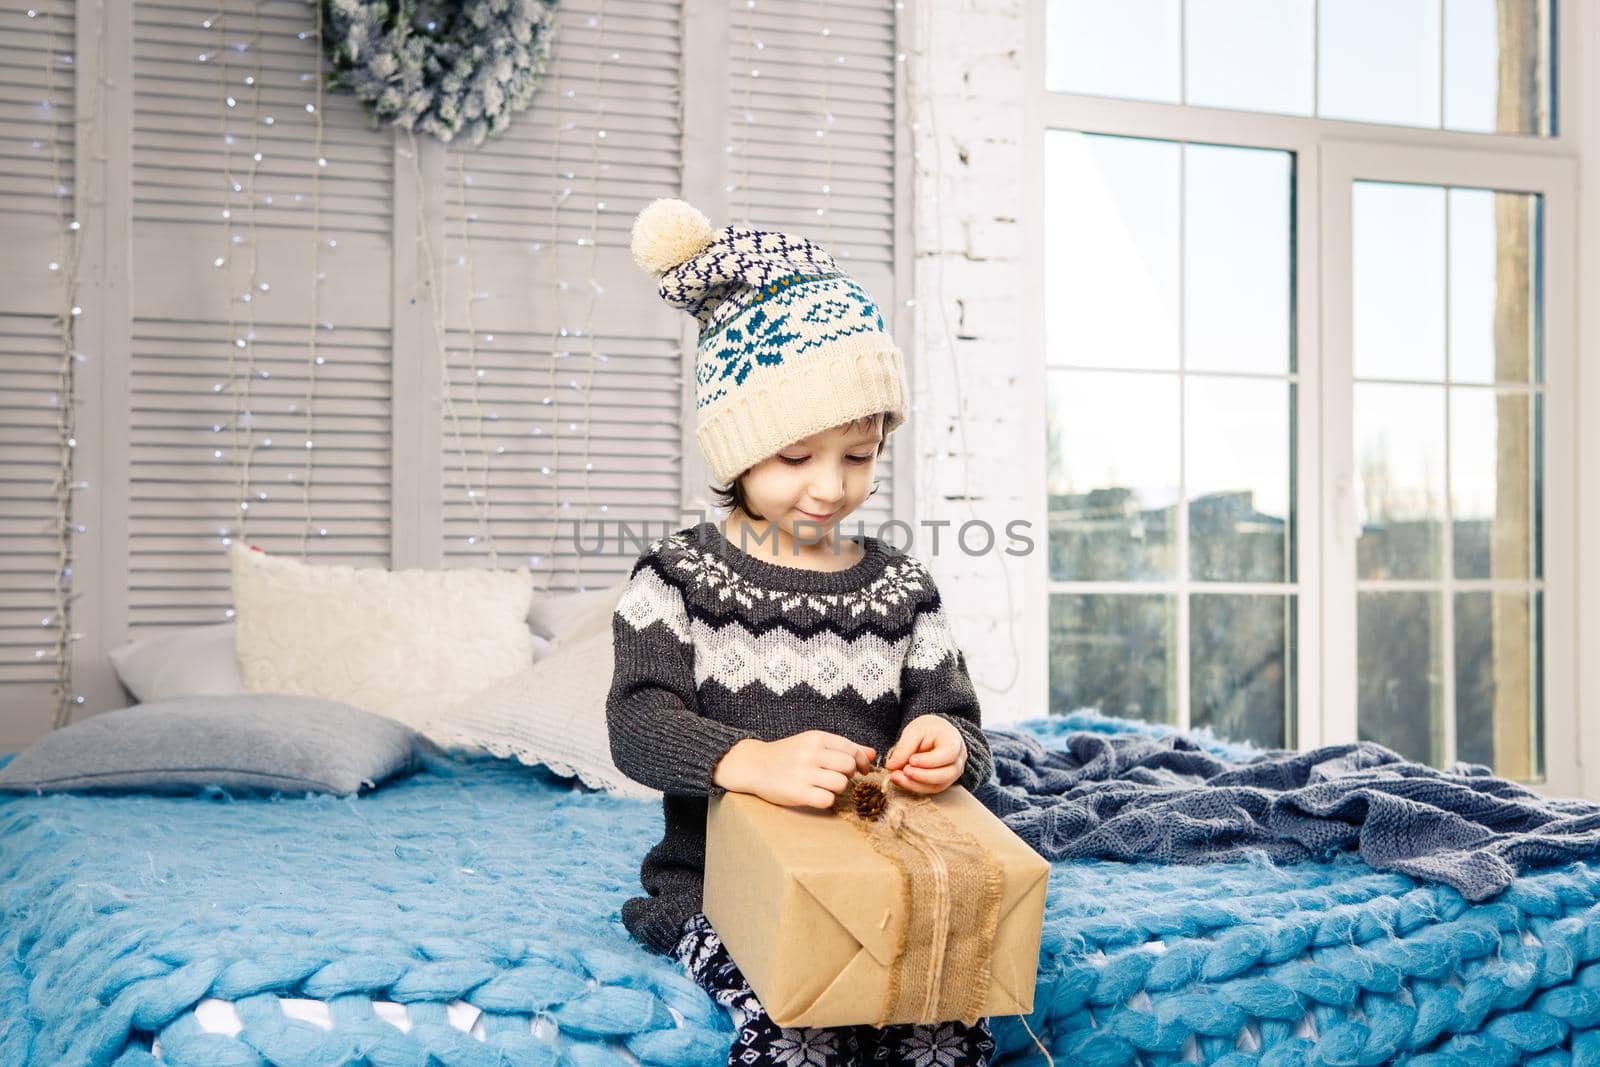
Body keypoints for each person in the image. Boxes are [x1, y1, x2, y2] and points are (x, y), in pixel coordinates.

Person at [605, 198, 998, 1067]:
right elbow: (636, 724)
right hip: (722, 890)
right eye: (795, 457)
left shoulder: (902, 588)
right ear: (737, 449)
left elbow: (957, 716)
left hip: (878, 879)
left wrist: (946, 742)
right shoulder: (676, 580)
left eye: (858, 456)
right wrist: (750, 760)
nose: (829, 487)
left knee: (945, 1026)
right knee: (803, 1020)